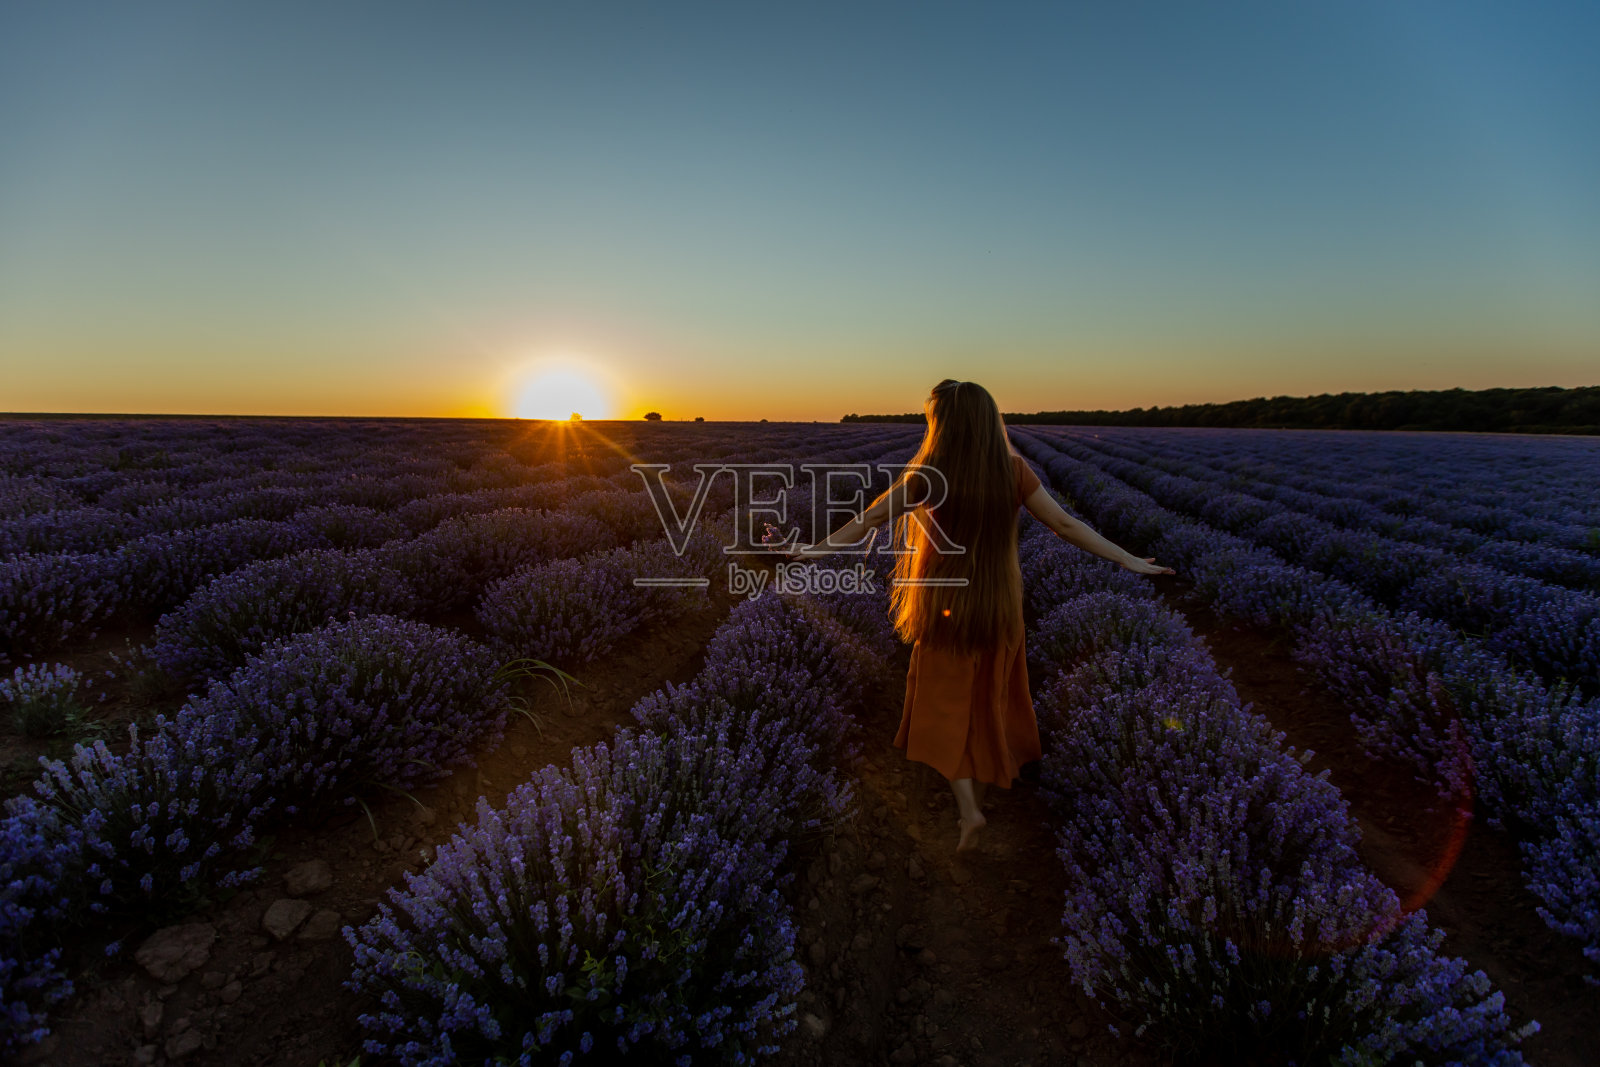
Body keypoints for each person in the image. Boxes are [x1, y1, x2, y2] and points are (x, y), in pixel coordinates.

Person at [784, 379, 1173, 853]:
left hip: (944, 611)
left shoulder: (929, 474)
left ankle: (969, 808)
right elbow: (1065, 524)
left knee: (945, 707)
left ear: (943, 425)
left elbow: (868, 520)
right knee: (990, 702)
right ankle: (982, 790)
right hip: (998, 608)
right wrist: (1125, 557)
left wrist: (813, 550)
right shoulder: (1013, 471)